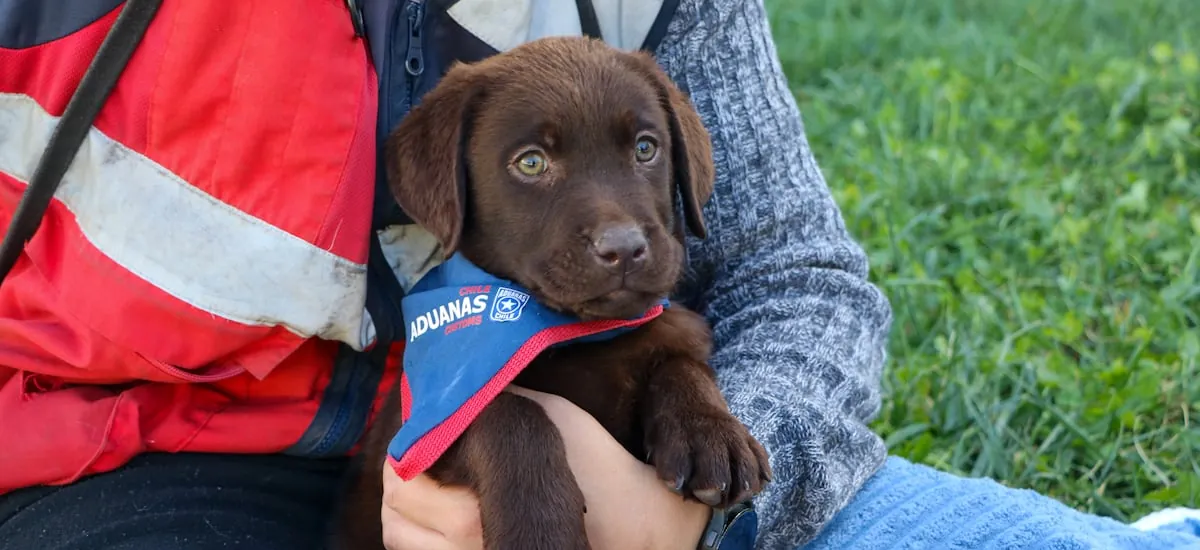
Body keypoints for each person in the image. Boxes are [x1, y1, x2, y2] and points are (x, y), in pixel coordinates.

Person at [0, 1, 1196, 550]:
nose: (620, 222)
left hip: (648, 457)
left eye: (637, 158)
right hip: (147, 467)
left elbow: (795, 274)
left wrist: (690, 504)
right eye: (533, 162)